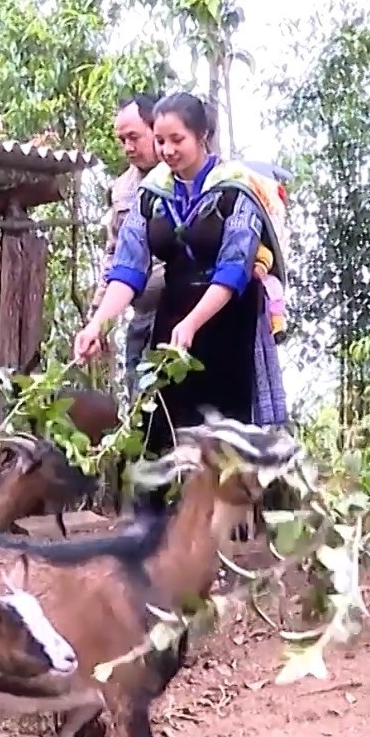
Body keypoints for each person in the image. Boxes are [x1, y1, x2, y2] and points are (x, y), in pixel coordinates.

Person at [73, 91, 289, 475]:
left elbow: (234, 269)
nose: (168, 150)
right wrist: (98, 324)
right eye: (160, 140)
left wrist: (192, 322)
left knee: (228, 441)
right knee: (169, 435)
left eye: (178, 140)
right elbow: (128, 270)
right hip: (172, 324)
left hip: (229, 322)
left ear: (201, 135)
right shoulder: (150, 196)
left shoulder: (236, 191)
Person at [100, 94, 164, 401]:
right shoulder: (122, 190)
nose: (127, 147)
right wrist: (98, 319)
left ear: (157, 129)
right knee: (141, 406)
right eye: (122, 139)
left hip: (184, 312)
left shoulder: (185, 178)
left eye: (134, 137)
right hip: (142, 315)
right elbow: (114, 255)